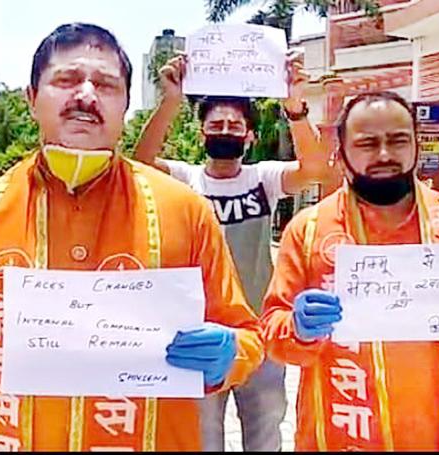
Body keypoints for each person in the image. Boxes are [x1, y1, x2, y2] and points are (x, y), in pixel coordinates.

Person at [0, 23, 265, 451]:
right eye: (65, 80)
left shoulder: (184, 209)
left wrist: (229, 354)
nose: (85, 94)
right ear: (31, 98)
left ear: (125, 105)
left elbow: (246, 335)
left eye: (105, 84)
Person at [261, 91, 439, 451]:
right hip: (342, 433)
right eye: (367, 143)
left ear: (416, 145)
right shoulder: (309, 231)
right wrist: (299, 330)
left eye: (398, 140)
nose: (384, 155)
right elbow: (273, 335)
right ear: (343, 152)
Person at [134, 54, 330, 451]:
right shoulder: (185, 180)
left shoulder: (264, 179)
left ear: (251, 137)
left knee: (265, 434)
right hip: (198, 332)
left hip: (259, 331)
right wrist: (171, 100)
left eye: (235, 125)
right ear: (202, 134)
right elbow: (138, 164)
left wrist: (295, 106)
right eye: (215, 125)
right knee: (202, 439)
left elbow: (315, 169)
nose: (225, 131)